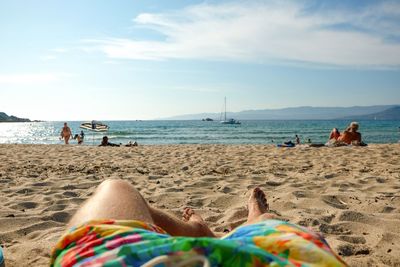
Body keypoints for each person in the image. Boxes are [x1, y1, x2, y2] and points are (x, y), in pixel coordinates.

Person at [50, 181, 346, 266]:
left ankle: (197, 231)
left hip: (127, 259)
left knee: (118, 190)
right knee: (268, 224)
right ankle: (252, 219)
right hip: (268, 261)